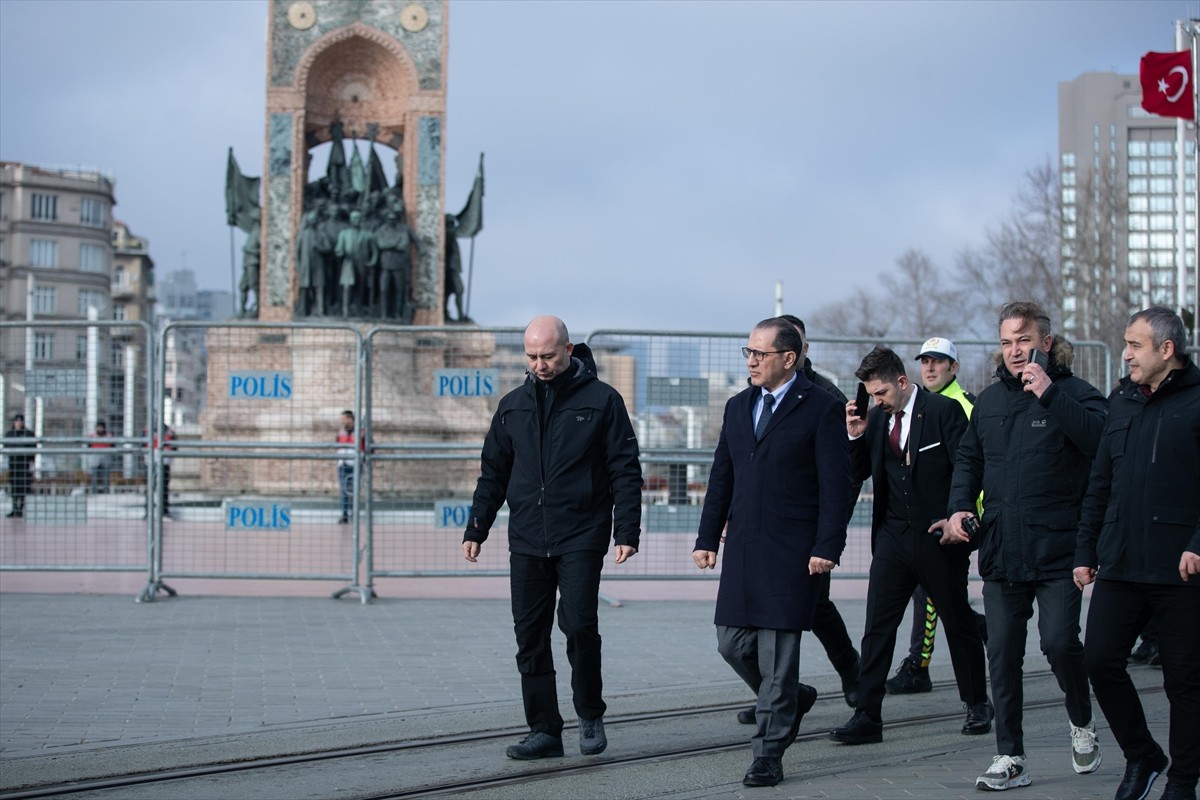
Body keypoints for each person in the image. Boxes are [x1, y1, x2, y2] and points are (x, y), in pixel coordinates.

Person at [462, 316, 642, 761]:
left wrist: (627, 530)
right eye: (531, 357)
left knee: (579, 625)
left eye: (547, 356)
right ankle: (543, 729)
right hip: (526, 538)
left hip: (581, 532)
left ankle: (589, 713)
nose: (539, 365)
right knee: (530, 635)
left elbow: (625, 468)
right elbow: (494, 472)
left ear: (568, 350)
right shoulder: (511, 405)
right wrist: (476, 527)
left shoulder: (603, 401)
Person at [944, 300, 1107, 791]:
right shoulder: (990, 402)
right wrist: (957, 508)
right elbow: (968, 460)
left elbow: (1101, 444)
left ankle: (1081, 721)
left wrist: (1051, 395)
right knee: (1003, 655)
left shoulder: (1078, 394)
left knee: (1059, 643)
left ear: (1046, 343)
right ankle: (1010, 756)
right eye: (1006, 342)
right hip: (1001, 550)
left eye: (1023, 340)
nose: (1015, 351)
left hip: (1058, 548)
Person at [693, 317, 851, 788]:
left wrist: (828, 546)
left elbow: (836, 487)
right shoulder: (738, 406)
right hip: (743, 545)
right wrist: (705, 538)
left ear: (790, 358)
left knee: (778, 654)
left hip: (794, 551)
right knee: (730, 642)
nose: (752, 360)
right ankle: (792, 697)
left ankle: (768, 753)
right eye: (748, 352)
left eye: (760, 353)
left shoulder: (823, 408)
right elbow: (722, 475)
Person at [828, 347, 991, 745]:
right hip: (891, 539)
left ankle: (976, 703)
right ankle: (867, 715)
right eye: (872, 394)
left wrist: (958, 515)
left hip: (937, 537)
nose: (877, 401)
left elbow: (966, 470)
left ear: (902, 382)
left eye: (881, 393)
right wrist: (854, 436)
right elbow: (860, 471)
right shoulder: (877, 420)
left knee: (957, 620)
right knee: (877, 628)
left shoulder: (943, 412)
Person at [1074, 307, 1200, 800]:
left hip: (1180, 570)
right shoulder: (1121, 402)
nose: (1125, 353)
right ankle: (1144, 755)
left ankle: (1184, 782)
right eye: (1124, 343)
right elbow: (1099, 483)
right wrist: (1086, 549)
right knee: (1100, 660)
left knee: (1185, 682)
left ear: (1166, 351)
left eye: (1135, 345)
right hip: (1121, 563)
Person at [886, 336, 987, 696]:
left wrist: (966, 516)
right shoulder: (916, 405)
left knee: (929, 593)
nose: (929, 368)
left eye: (938, 362)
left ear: (953, 368)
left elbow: (974, 466)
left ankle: (920, 665)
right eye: (925, 361)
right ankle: (976, 627)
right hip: (924, 520)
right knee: (933, 593)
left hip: (959, 520)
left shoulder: (965, 406)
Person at [335, 210, 379, 317]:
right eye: (354, 218)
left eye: (358, 218)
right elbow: (338, 248)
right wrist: (340, 252)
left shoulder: (368, 234)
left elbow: (375, 251)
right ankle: (345, 310)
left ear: (361, 220)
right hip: (348, 262)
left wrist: (372, 262)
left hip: (362, 262)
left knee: (360, 286)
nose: (356, 220)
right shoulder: (344, 233)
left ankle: (358, 309)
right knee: (347, 286)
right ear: (350, 220)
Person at [3, 414, 35, 518]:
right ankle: (14, 509)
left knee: (23, 489)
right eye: (17, 421)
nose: (18, 423)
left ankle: (19, 509)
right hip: (13, 466)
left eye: (20, 421)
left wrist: (31, 464)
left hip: (24, 466)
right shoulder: (10, 434)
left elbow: (32, 450)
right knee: (14, 489)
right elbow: (6, 446)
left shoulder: (28, 434)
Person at [335, 410, 363, 525]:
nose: (341, 421)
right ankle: (345, 514)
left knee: (354, 490)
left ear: (350, 419)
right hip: (342, 464)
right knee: (343, 490)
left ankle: (354, 513)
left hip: (356, 464)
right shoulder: (340, 432)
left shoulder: (361, 432)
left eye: (343, 418)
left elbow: (367, 446)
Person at [89, 421, 114, 494]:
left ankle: (106, 492)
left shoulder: (109, 436)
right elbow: (89, 446)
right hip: (95, 459)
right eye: (98, 427)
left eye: (101, 427)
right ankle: (94, 493)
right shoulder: (92, 436)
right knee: (94, 477)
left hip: (106, 458)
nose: (100, 429)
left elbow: (112, 446)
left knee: (106, 477)